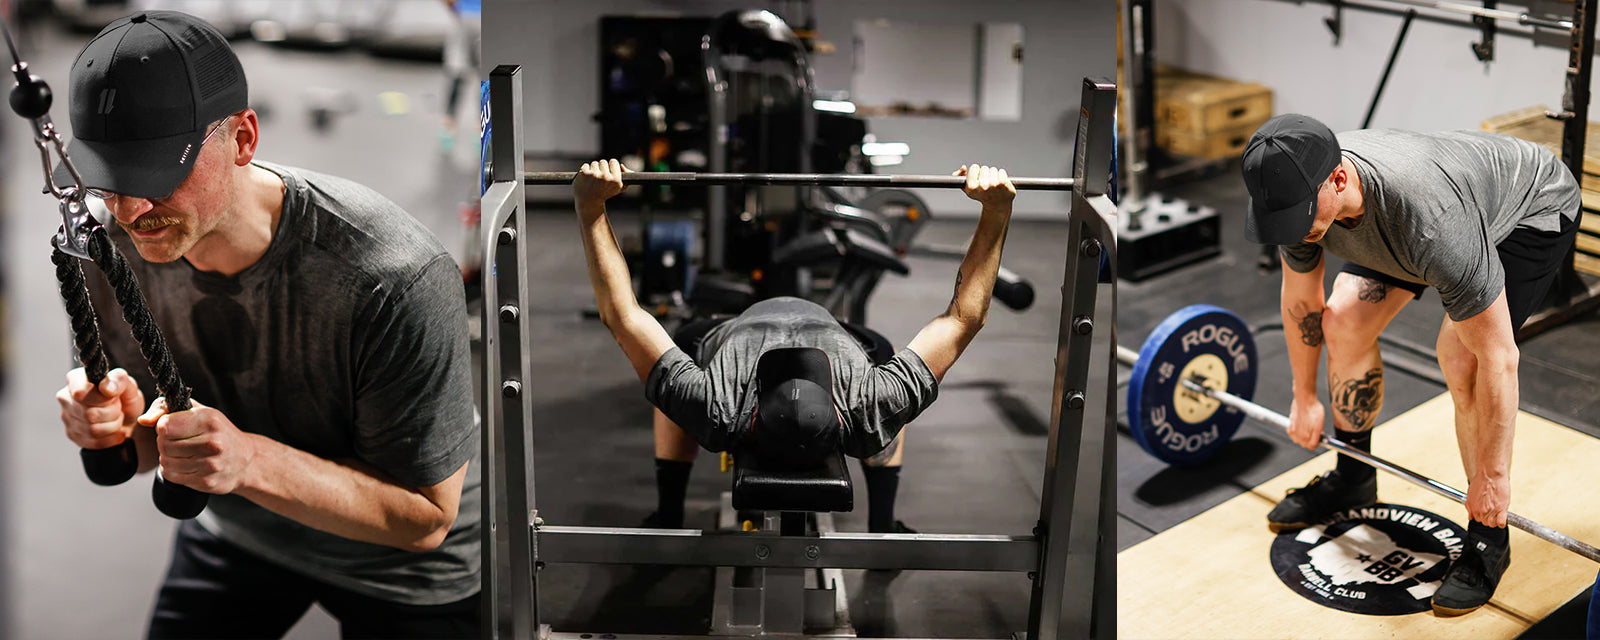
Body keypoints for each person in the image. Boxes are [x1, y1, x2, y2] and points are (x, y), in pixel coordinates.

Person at [51, 11, 479, 638]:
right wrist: (115, 427)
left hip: (402, 569)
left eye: (154, 175)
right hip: (242, 528)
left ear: (243, 139)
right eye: (110, 179)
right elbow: (148, 453)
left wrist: (246, 459)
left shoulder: (393, 276)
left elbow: (424, 518)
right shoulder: (109, 247)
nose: (132, 209)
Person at [1241, 114, 1580, 615]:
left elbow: (1499, 358)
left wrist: (1493, 480)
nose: (1295, 231)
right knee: (1343, 323)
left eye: (1301, 217)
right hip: (1425, 205)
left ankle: (1489, 537)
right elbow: (1302, 299)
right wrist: (1304, 395)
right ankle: (1354, 474)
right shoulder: (1296, 196)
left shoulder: (1431, 222)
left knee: (1461, 355)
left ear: (1338, 180)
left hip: (1529, 209)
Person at [570, 159, 1016, 533]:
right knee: (889, 390)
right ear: (838, 415)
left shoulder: (717, 407)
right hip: (835, 329)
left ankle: (669, 514)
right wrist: (996, 211)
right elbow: (963, 318)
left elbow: (623, 314)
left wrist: (590, 207)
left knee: (671, 380)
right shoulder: (867, 405)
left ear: (754, 413)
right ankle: (883, 523)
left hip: (730, 328)